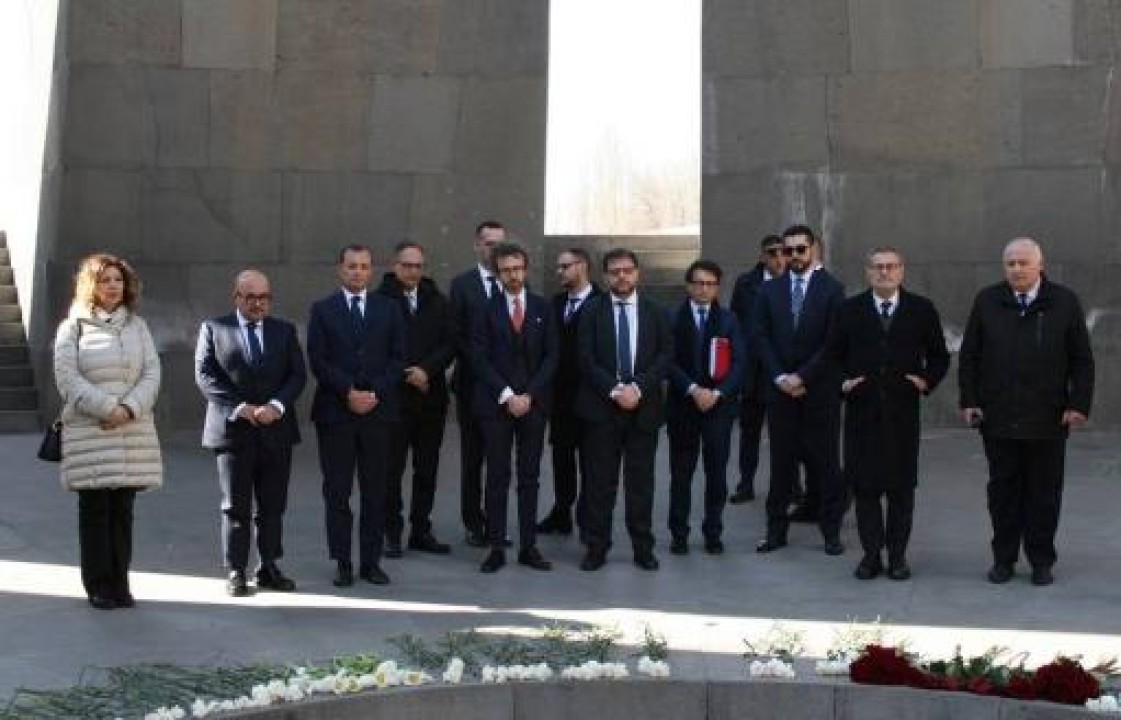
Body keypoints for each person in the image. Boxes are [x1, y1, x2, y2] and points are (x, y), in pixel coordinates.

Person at [959, 237, 1094, 586]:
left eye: (1023, 263)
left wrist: (1078, 404)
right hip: (999, 416)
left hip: (1048, 418)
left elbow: (1081, 359)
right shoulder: (988, 300)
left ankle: (1041, 561)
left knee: (1044, 493)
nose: (1016, 269)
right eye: (1010, 264)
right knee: (1002, 493)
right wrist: (970, 400)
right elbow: (970, 355)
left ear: (1040, 265)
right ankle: (1003, 559)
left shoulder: (1063, 301)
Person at [828, 248, 949, 581]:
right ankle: (871, 556)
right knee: (865, 490)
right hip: (862, 412)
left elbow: (939, 355)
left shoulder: (921, 309)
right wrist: (843, 383)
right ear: (868, 272)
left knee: (901, 490)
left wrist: (925, 380)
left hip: (902, 414)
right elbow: (832, 356)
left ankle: (897, 557)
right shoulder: (849, 310)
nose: (884, 272)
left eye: (890, 266)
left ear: (901, 271)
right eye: (878, 267)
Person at [53, 253, 162, 609]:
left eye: (118, 279)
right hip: (92, 431)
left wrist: (128, 409)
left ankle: (120, 582)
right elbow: (67, 378)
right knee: (95, 510)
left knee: (122, 511)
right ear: (91, 286)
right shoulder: (73, 327)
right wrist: (107, 408)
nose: (113, 286)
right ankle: (99, 584)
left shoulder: (138, 327)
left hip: (131, 430)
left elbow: (152, 373)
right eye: (105, 280)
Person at [194, 269, 307, 596]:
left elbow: (297, 375)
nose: (258, 304)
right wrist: (240, 407)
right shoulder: (214, 328)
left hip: (276, 430)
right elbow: (205, 375)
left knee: (273, 506)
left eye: (264, 297)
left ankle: (269, 566)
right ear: (237, 297)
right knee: (236, 506)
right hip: (233, 431)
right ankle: (236, 570)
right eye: (251, 297)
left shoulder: (284, 331)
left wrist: (276, 406)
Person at [307, 245, 406, 587]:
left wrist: (374, 393)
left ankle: (371, 562)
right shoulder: (323, 309)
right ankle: (343, 561)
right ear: (341, 269)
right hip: (336, 412)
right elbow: (318, 359)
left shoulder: (389, 309)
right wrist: (348, 392)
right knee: (337, 491)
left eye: (364, 266)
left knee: (375, 490)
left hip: (378, 413)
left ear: (371, 270)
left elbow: (398, 358)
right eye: (351, 266)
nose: (358, 272)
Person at [576, 249, 673, 571]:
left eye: (627, 270)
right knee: (599, 484)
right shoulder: (591, 311)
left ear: (637, 273)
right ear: (605, 276)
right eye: (615, 271)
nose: (622, 276)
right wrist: (616, 390)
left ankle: (643, 548)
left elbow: (665, 355)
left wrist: (638, 388)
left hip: (643, 410)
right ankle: (596, 547)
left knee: (640, 484)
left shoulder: (656, 311)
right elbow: (585, 358)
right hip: (601, 409)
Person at [753, 225, 846, 556]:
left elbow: (833, 342)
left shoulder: (832, 289)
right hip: (781, 394)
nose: (793, 256)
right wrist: (781, 377)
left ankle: (831, 532)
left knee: (826, 464)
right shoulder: (769, 290)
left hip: (819, 393)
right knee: (781, 466)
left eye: (799, 249)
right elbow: (760, 336)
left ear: (813, 249)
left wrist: (803, 377)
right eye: (786, 250)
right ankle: (775, 532)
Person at [468, 243, 558, 573]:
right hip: (496, 405)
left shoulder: (542, 307)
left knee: (529, 477)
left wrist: (529, 395)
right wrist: (507, 395)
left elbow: (552, 355)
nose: (513, 275)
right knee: (497, 476)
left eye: (518, 269)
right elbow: (479, 358)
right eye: (506, 270)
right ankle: (495, 547)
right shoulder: (484, 309)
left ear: (526, 269)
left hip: (533, 405)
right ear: (498, 274)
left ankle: (528, 547)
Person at [376, 242, 455, 558]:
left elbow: (451, 342)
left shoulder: (438, 301)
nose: (413, 271)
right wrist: (408, 372)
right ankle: (391, 532)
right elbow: (377, 348)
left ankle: (421, 530)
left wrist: (427, 370)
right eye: (407, 265)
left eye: (418, 266)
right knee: (390, 470)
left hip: (431, 399)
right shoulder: (379, 301)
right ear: (395, 266)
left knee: (427, 469)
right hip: (394, 400)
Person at [666, 260, 746, 555]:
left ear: (717, 288)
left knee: (716, 474)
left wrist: (719, 393)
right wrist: (692, 389)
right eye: (698, 283)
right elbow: (666, 359)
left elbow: (740, 362)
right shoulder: (672, 317)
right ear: (688, 286)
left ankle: (713, 531)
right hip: (683, 406)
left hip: (718, 408)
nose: (703, 289)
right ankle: (679, 534)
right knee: (681, 474)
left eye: (710, 284)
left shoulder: (728, 320)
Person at [449, 220, 506, 548]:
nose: (495, 249)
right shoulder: (462, 285)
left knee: (500, 460)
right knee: (473, 459)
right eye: (489, 243)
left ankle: (497, 523)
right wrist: (484, 366)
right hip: (472, 385)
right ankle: (473, 521)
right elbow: (456, 334)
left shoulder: (515, 281)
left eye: (500, 243)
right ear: (477, 245)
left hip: (508, 388)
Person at [537, 247, 601, 537]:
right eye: (558, 267)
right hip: (560, 399)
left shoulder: (602, 303)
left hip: (593, 398)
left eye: (565, 266)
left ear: (582, 266)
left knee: (591, 462)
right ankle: (561, 512)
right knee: (561, 459)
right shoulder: (556, 303)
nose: (559, 272)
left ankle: (588, 520)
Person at [728, 234, 788, 504]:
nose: (779, 258)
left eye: (783, 252)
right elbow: (735, 323)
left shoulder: (795, 282)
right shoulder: (746, 283)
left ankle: (792, 485)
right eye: (772, 253)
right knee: (749, 431)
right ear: (763, 256)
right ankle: (746, 484)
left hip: (782, 369)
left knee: (785, 433)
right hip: (752, 370)